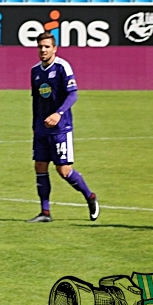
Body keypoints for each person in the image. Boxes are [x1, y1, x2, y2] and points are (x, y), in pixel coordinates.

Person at [27, 32, 99, 224]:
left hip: (61, 128)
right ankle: (45, 212)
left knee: (64, 170)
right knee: (39, 166)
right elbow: (36, 100)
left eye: (47, 46)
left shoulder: (62, 67)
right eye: (40, 46)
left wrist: (58, 113)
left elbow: (73, 94)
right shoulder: (35, 71)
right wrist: (35, 124)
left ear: (54, 48)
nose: (43, 50)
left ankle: (90, 197)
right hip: (42, 129)